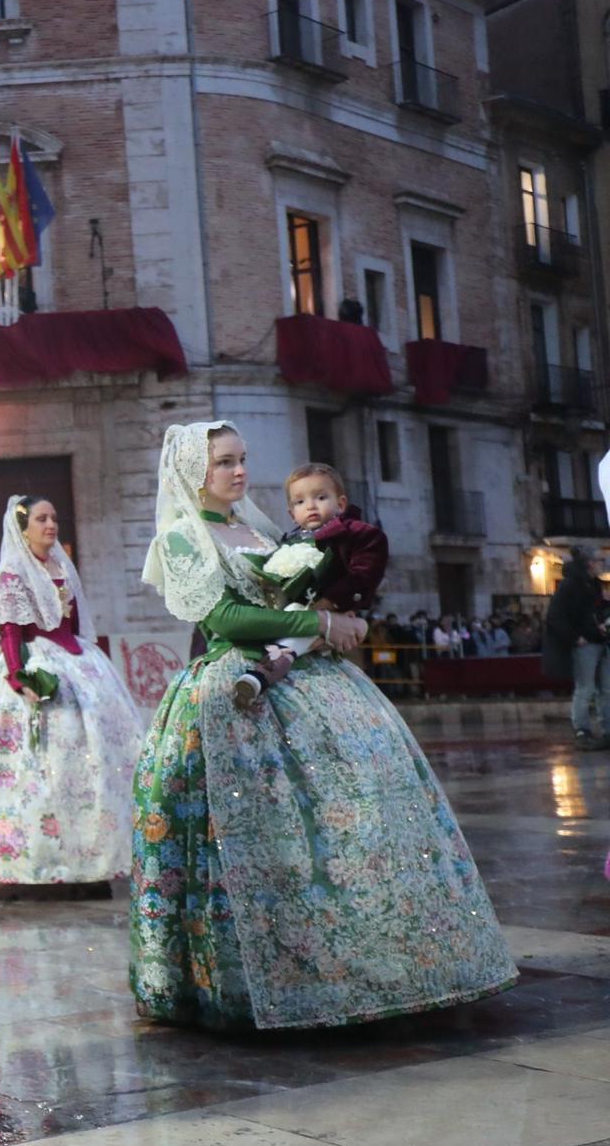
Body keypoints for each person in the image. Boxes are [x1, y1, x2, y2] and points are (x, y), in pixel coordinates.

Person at [129, 421, 516, 1031]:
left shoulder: (258, 530)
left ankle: (371, 958)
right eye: (224, 462)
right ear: (190, 474)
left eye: (242, 459)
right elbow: (225, 618)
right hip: (236, 686)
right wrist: (321, 628)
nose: (238, 471)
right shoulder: (181, 538)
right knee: (260, 836)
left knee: (357, 816)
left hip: (311, 678)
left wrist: (338, 610)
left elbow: (310, 591)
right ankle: (256, 977)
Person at [0, 495, 143, 893]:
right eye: (42, 519)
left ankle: (94, 857)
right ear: (22, 528)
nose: (51, 525)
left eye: (54, 518)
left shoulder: (62, 567)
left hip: (76, 660)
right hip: (32, 661)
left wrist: (83, 658)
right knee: (36, 765)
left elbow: (75, 624)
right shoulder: (11, 573)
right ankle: (36, 861)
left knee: (93, 760)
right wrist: (18, 678)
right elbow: (10, 631)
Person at [235, 462, 389, 705]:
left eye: (320, 497)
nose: (311, 506)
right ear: (291, 513)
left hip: (335, 608)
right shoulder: (289, 540)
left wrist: (331, 601)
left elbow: (365, 572)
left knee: (296, 641)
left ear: (340, 503)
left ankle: (263, 674)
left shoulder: (355, 532)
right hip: (301, 611)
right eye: (300, 502)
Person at [545, 548, 607, 748]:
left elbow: (593, 611)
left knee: (605, 689)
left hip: (600, 641)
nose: (603, 563)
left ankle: (607, 729)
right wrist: (575, 638)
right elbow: (555, 616)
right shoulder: (570, 585)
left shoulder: (594, 584)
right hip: (585, 643)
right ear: (589, 562)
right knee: (585, 687)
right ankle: (582, 730)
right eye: (600, 559)